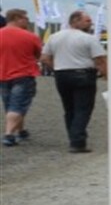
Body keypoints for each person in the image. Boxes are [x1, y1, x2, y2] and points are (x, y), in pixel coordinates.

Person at [41, 10, 107, 153]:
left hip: (62, 75)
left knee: (69, 108)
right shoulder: (89, 39)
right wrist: (106, 75)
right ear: (75, 21)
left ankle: (73, 137)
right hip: (83, 74)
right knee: (83, 108)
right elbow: (100, 60)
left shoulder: (54, 37)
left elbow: (45, 58)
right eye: (87, 21)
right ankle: (77, 142)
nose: (91, 23)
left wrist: (56, 69)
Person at [0, 7, 43, 147]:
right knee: (17, 106)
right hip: (24, 74)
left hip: (3, 75)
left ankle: (21, 130)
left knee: (10, 104)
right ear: (17, 18)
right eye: (26, 18)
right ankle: (9, 135)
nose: (27, 21)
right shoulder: (30, 36)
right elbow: (38, 55)